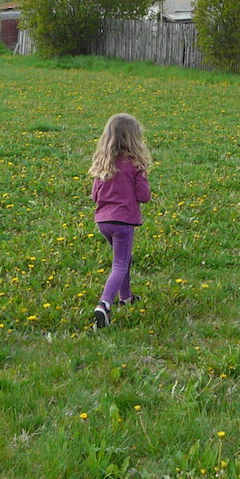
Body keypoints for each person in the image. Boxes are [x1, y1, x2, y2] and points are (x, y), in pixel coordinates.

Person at [89, 113, 153, 329]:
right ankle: (104, 304)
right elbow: (144, 196)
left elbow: (94, 196)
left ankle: (126, 298)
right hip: (123, 222)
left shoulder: (103, 164)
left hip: (103, 222)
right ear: (134, 138)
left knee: (124, 259)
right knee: (119, 264)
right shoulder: (134, 165)